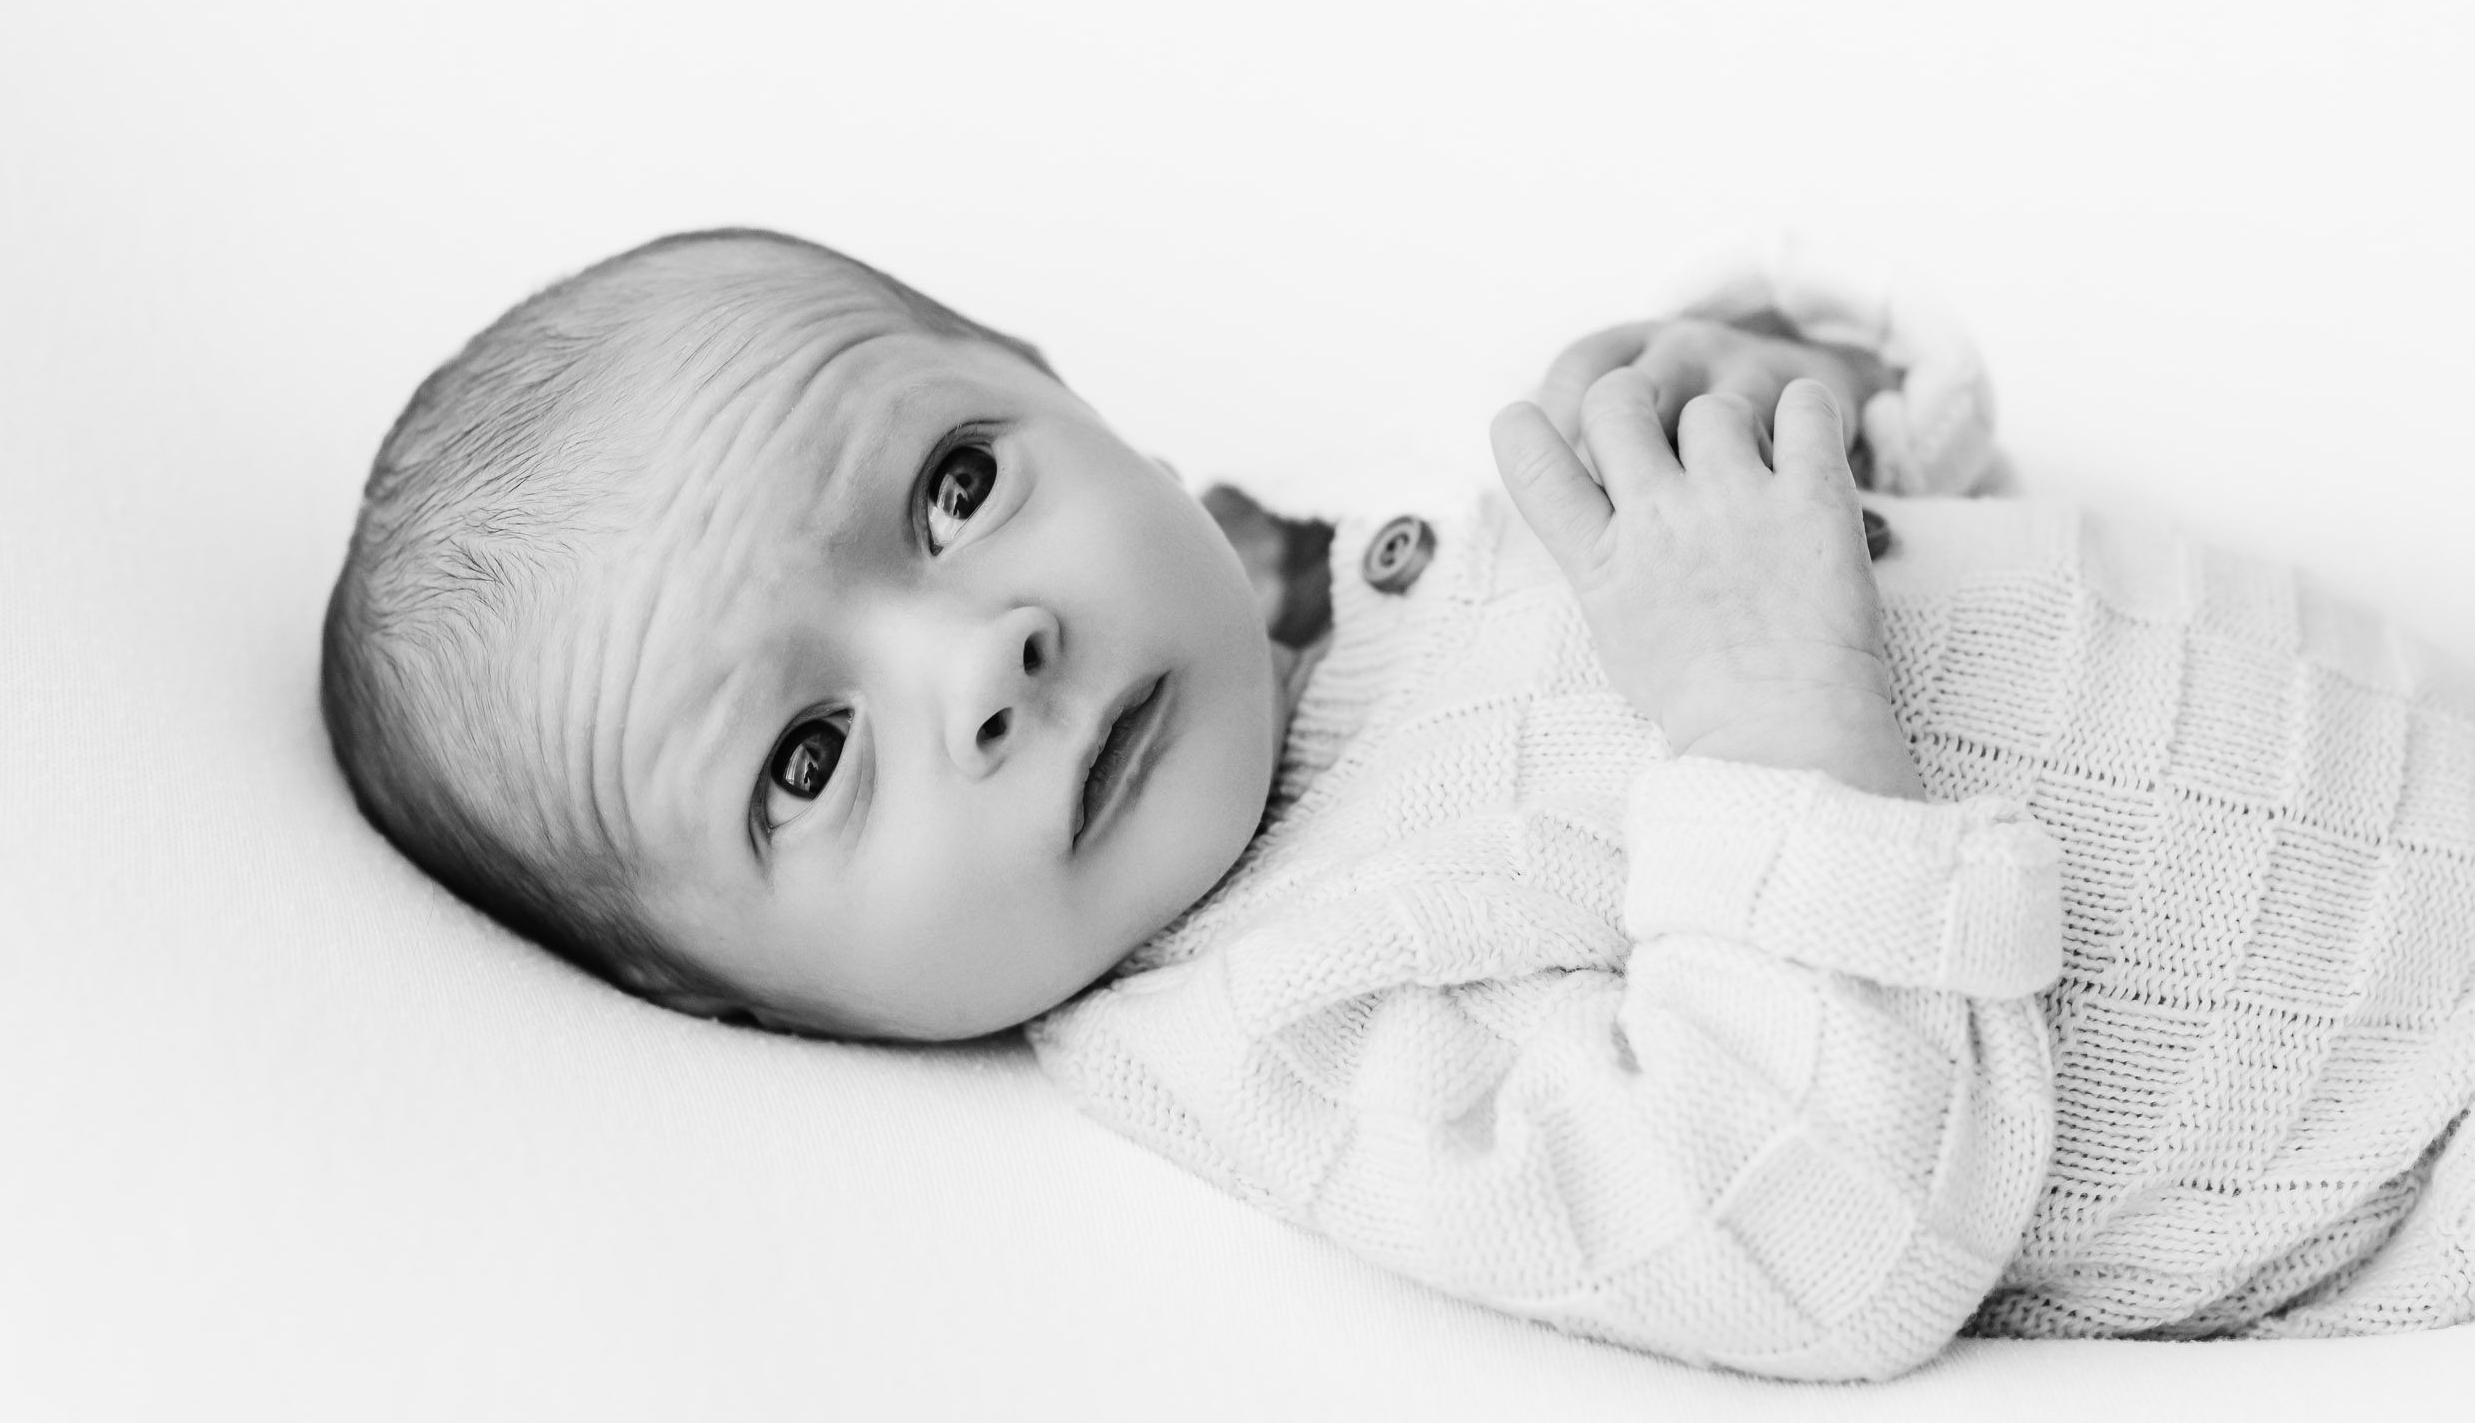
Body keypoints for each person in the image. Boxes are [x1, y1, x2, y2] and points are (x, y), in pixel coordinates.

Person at [321, 228, 2475, 1379]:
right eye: (810, 757)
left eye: (954, 487)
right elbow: (1804, 1236)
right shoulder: (1275, 1027)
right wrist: (1768, 707)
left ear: (1077, 403)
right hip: (2406, 1122)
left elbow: (1925, 530)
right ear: (746, 1007)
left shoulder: (1378, 597)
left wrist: (1758, 393)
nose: (977, 660)